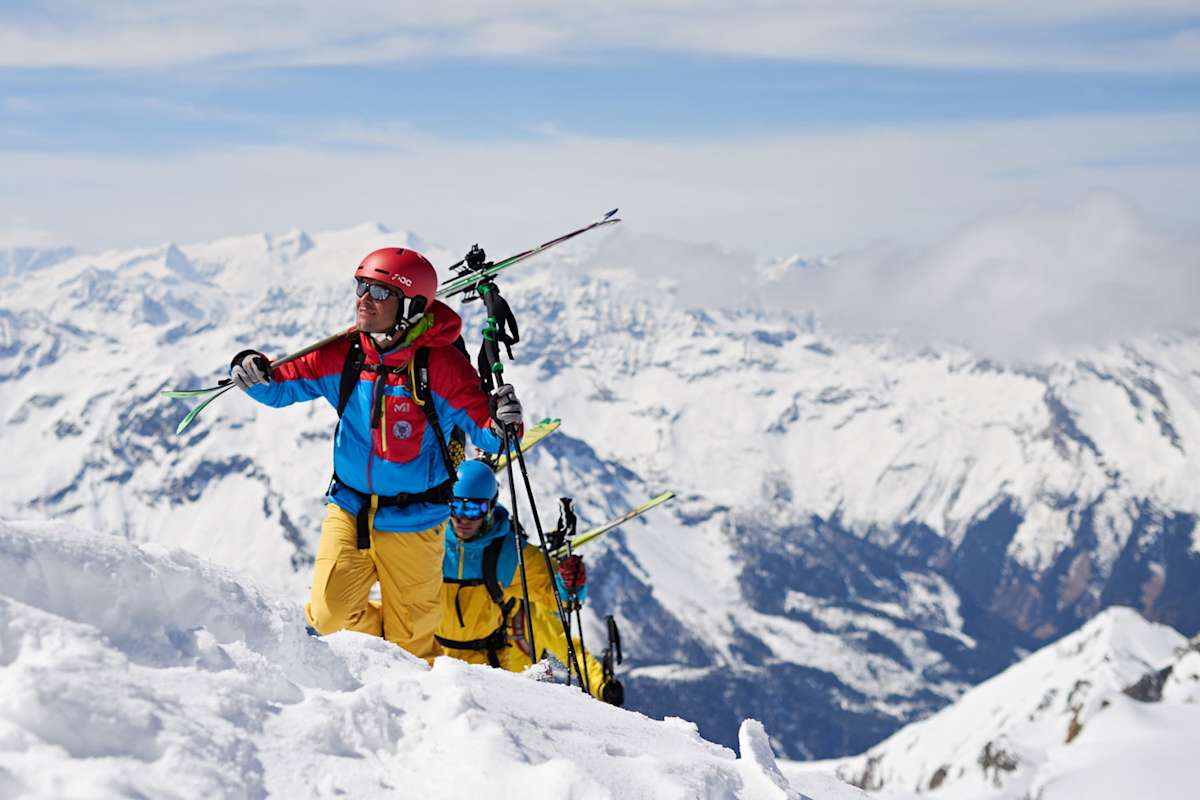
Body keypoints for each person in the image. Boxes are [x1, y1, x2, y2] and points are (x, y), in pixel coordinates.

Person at [229, 247, 524, 663]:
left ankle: (402, 681)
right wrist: (250, 368)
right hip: (349, 509)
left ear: (411, 307)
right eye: (361, 286)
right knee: (328, 618)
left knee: (412, 645)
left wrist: (504, 423)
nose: (364, 299)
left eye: (380, 292)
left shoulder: (440, 366)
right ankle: (376, 652)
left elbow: (488, 432)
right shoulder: (345, 354)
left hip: (416, 520)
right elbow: (280, 385)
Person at [436, 460, 624, 705]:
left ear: (490, 507)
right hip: (432, 659)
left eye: (474, 509)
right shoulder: (429, 538)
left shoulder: (507, 554)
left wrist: (570, 586)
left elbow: (558, 603)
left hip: (487, 670)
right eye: (455, 507)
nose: (462, 518)